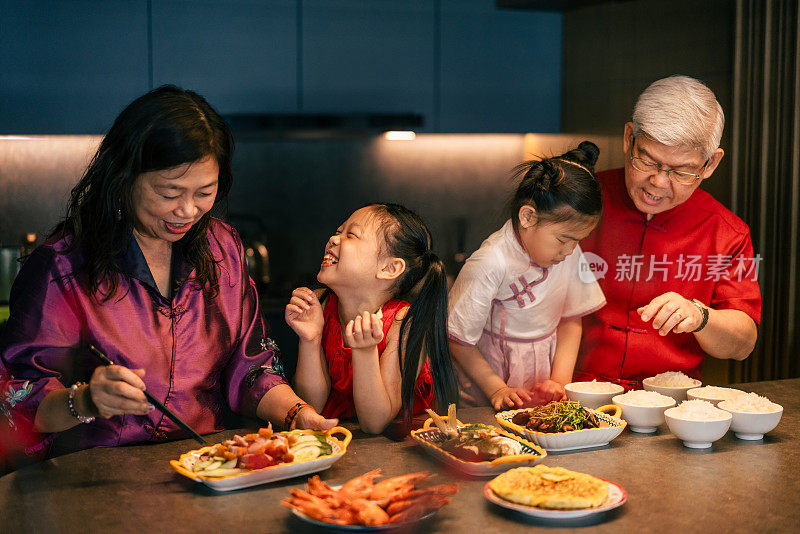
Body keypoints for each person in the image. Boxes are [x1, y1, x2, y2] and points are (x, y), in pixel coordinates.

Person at [0, 86, 336, 459]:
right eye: (169, 192)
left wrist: (297, 415)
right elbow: (18, 397)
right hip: (93, 483)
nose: (188, 211)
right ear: (124, 176)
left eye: (205, 192)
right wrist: (87, 401)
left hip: (203, 470)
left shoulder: (222, 247)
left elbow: (254, 369)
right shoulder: (63, 266)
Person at [574, 75, 761, 388]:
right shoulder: (579, 201)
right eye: (647, 160)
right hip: (571, 393)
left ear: (710, 164)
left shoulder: (727, 232)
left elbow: (743, 344)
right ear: (628, 137)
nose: (658, 182)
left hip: (667, 404)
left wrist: (700, 316)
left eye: (682, 171)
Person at [447, 142, 607, 410]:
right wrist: (496, 388)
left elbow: (571, 321)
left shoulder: (569, 251)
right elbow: (457, 341)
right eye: (563, 240)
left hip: (542, 383)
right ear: (529, 217)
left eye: (577, 240)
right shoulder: (490, 262)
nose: (569, 251)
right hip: (486, 386)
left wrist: (558, 382)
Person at [285, 203, 459, 435]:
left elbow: (374, 423)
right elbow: (311, 407)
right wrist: (311, 339)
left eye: (351, 235)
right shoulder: (320, 304)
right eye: (338, 232)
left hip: (403, 446)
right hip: (342, 438)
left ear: (389, 268)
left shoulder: (403, 322)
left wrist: (366, 351)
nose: (333, 239)